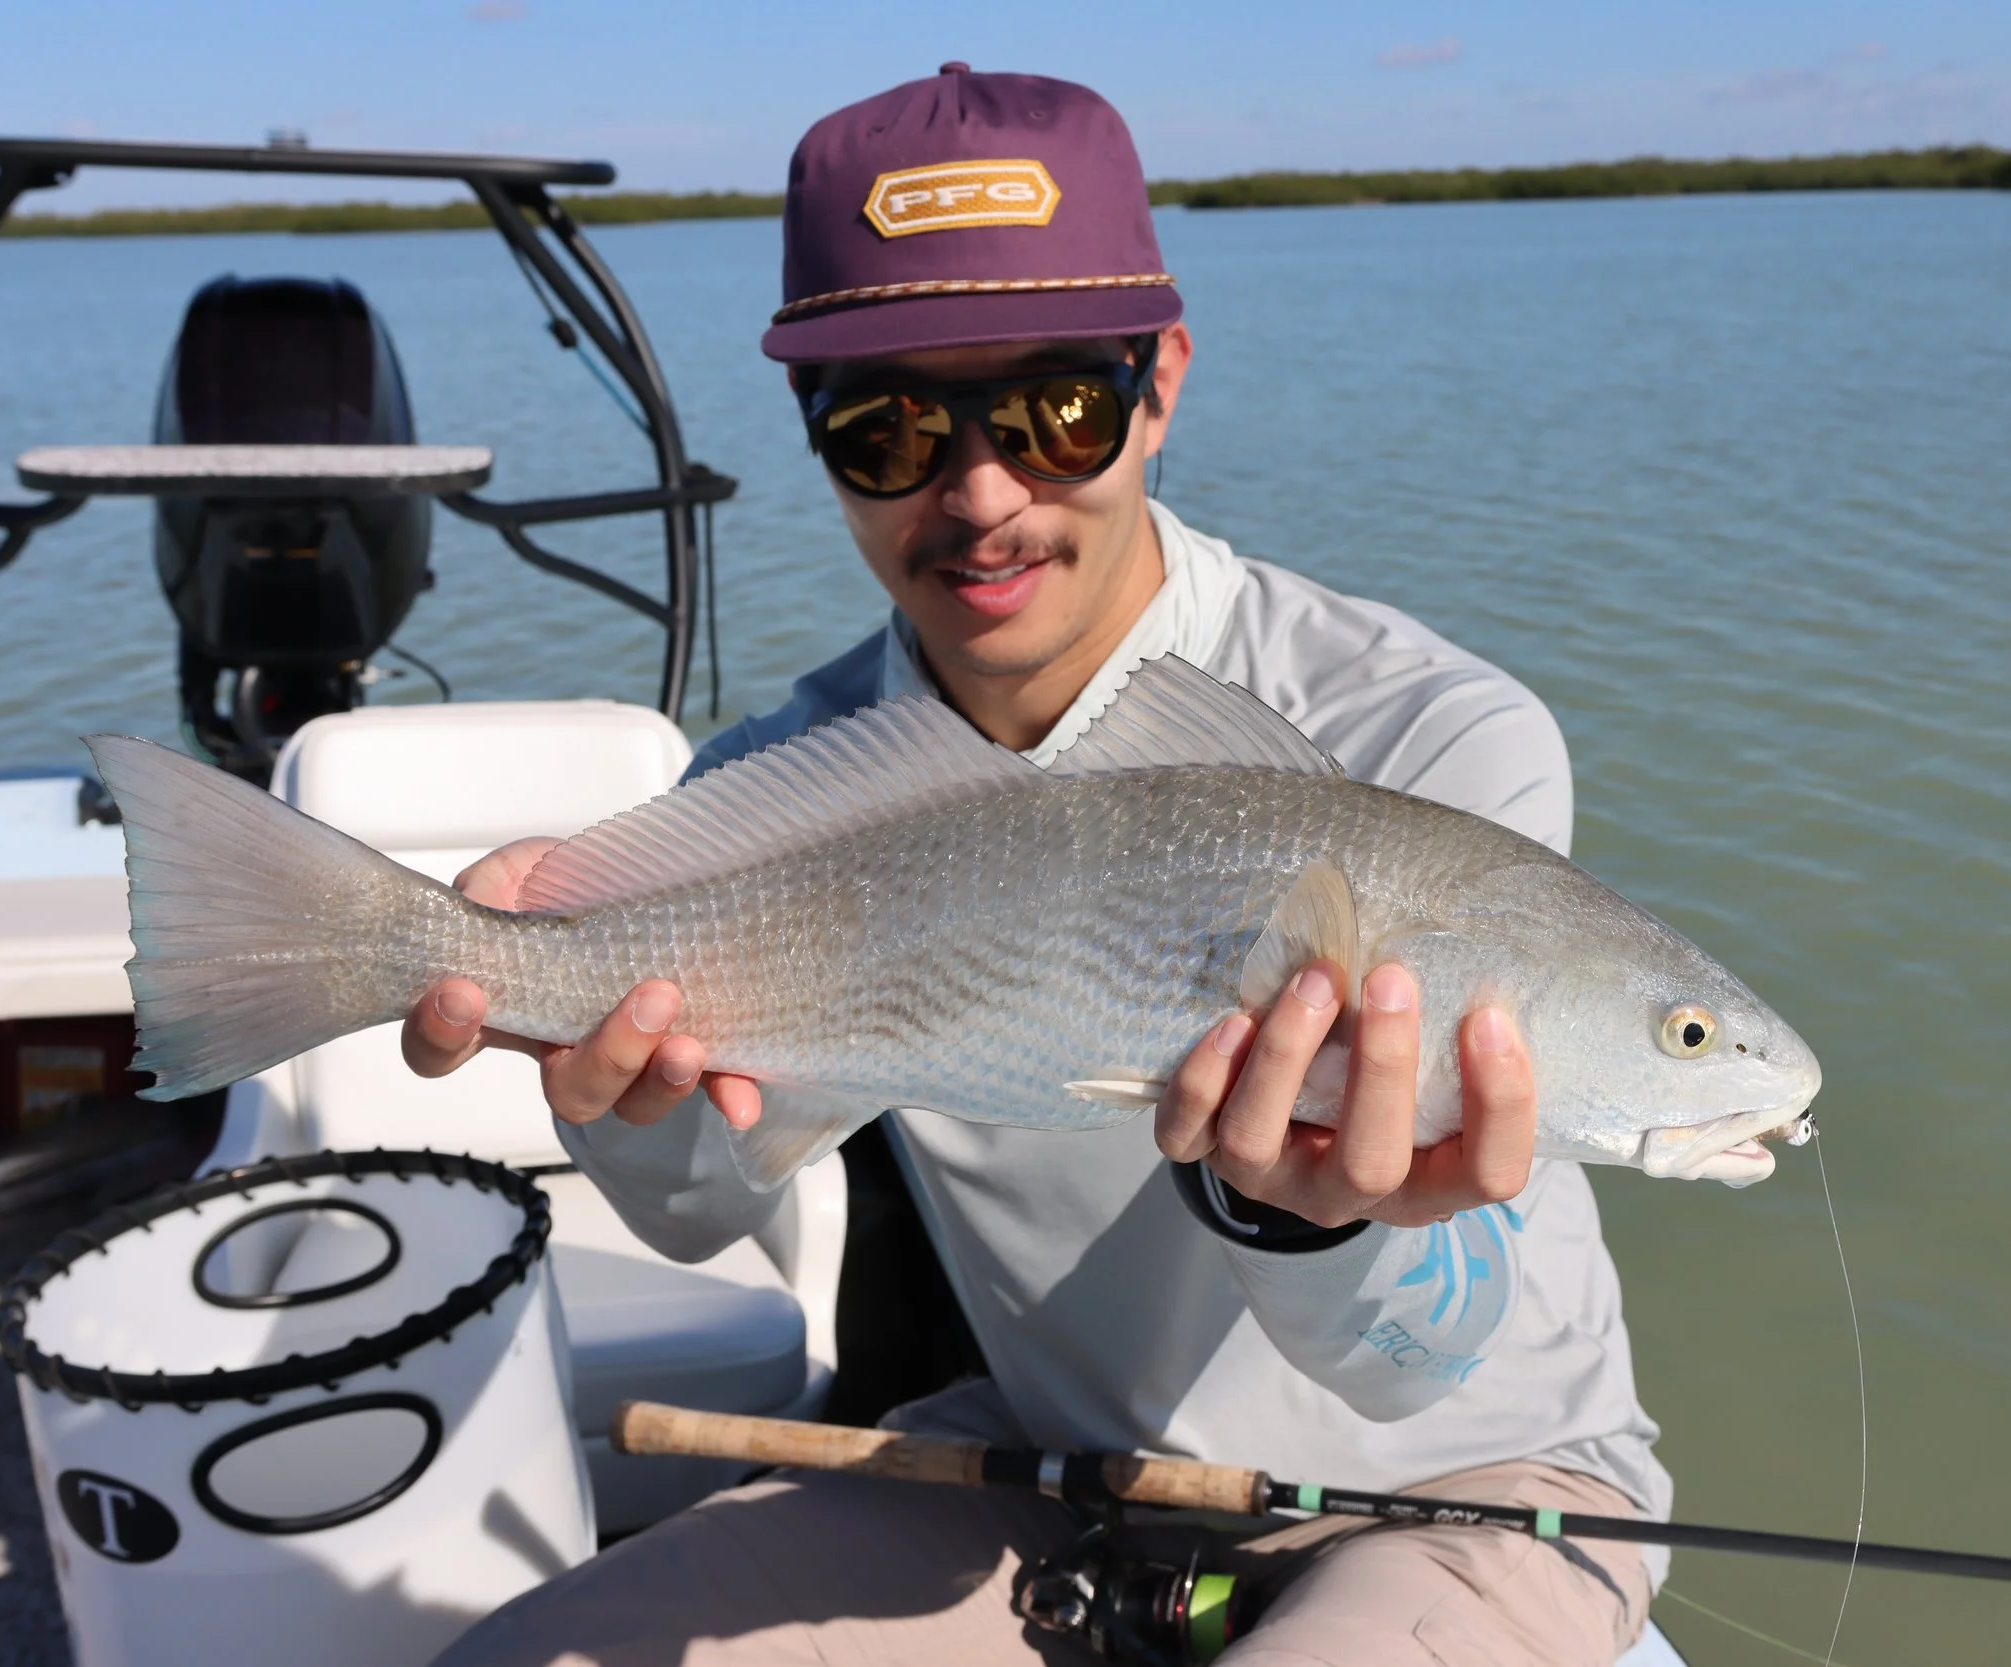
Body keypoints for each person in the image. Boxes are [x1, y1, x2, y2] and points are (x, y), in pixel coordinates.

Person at [419, 64, 1673, 1667]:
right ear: (813, 439)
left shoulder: (1419, 738)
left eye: (1056, 410)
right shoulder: (773, 794)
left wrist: (1314, 1217)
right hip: (1044, 1469)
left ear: (1161, 383)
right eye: (886, 430)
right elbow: (695, 1204)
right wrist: (604, 1083)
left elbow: (1429, 1354)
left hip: (1471, 1486)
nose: (984, 495)